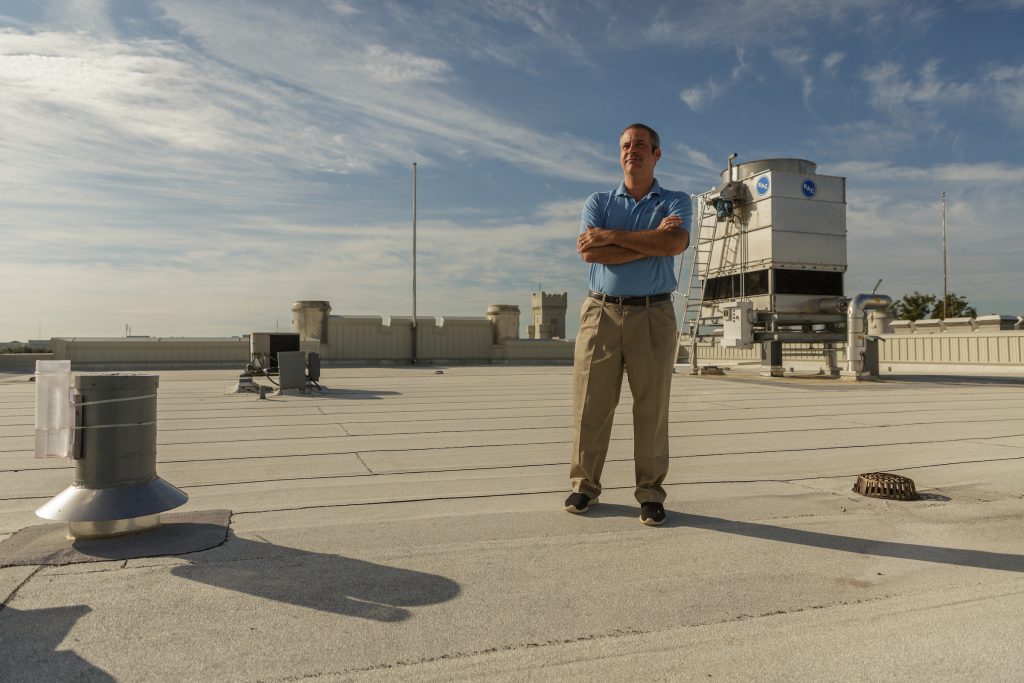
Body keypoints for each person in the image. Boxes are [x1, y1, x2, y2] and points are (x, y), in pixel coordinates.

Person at [565, 123, 691, 526]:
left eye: (640, 145)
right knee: (591, 405)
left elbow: (672, 245)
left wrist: (613, 238)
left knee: (651, 408)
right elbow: (590, 255)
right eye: (625, 145)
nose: (631, 150)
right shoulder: (598, 201)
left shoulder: (675, 200)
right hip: (601, 313)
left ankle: (650, 493)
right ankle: (585, 486)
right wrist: (647, 239)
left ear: (657, 154)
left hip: (654, 314)